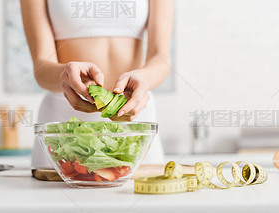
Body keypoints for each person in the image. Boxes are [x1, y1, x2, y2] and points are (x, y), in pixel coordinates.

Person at [20, 0, 173, 169]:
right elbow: (41, 69)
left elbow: (161, 58)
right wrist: (67, 74)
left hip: (134, 124)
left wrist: (142, 78)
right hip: (64, 131)